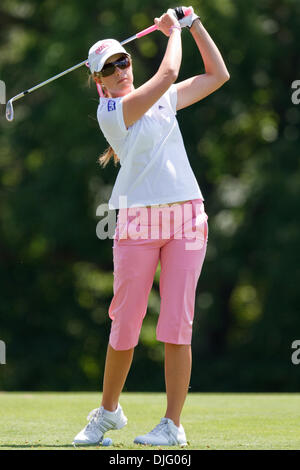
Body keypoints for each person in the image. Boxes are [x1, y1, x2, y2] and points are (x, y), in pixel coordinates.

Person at [73, 6, 229, 447]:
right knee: (125, 324)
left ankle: (172, 426)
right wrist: (172, 30)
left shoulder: (163, 99)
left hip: (186, 219)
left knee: (177, 325)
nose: (121, 70)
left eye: (123, 61)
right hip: (138, 224)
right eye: (110, 68)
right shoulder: (112, 111)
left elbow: (217, 75)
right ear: (98, 81)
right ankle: (107, 414)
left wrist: (194, 24)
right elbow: (167, 73)